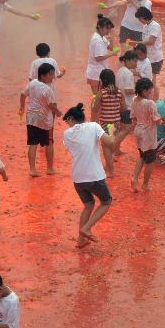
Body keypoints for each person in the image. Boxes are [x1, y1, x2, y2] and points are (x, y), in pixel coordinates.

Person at [62, 104, 115, 248]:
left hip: (78, 178)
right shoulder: (94, 126)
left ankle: (81, 239)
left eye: (67, 120)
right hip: (95, 175)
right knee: (106, 202)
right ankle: (86, 228)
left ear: (71, 119)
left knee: (88, 205)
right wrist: (111, 130)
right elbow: (111, 142)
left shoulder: (66, 134)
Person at [19, 63, 61, 177]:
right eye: (51, 74)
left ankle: (32, 169)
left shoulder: (32, 83)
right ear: (43, 76)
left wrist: (22, 107)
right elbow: (51, 105)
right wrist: (57, 112)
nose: (53, 77)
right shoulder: (48, 90)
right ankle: (50, 168)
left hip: (31, 117)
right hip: (44, 119)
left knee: (33, 144)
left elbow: (23, 94)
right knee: (49, 142)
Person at [130, 78, 162, 191]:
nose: (151, 94)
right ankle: (145, 184)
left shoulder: (134, 100)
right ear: (144, 91)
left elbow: (133, 117)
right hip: (148, 135)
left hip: (138, 131)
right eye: (150, 92)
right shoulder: (150, 103)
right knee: (150, 160)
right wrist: (160, 119)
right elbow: (156, 120)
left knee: (142, 156)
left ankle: (134, 178)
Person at [86, 14, 119, 97]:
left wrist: (112, 40)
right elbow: (98, 58)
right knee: (97, 98)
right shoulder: (97, 40)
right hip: (96, 73)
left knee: (100, 98)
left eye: (109, 29)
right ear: (100, 27)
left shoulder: (101, 37)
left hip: (99, 72)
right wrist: (111, 54)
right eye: (107, 28)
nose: (108, 31)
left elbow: (111, 48)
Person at [136, 7, 164, 99]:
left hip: (155, 57)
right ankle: (150, 100)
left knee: (152, 81)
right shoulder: (145, 26)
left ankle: (155, 102)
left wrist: (136, 43)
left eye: (140, 19)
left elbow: (151, 41)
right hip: (147, 57)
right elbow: (144, 42)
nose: (140, 21)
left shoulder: (155, 26)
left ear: (144, 17)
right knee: (148, 81)